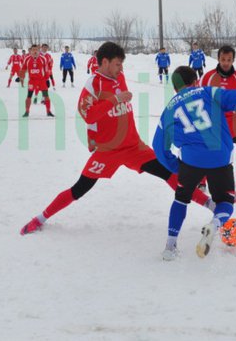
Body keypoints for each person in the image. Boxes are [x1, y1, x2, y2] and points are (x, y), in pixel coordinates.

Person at [19, 41, 221, 235]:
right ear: (104, 62)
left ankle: (212, 205)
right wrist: (113, 102)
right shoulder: (93, 85)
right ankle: (40, 218)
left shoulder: (120, 76)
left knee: (169, 173)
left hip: (134, 147)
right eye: (117, 64)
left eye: (121, 64)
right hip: (108, 151)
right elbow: (87, 114)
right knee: (80, 188)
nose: (120, 68)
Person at [154, 66, 236, 260]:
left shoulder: (169, 110)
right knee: (225, 201)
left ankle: (170, 246)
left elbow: (158, 147)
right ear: (195, 81)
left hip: (191, 162)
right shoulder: (208, 91)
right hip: (219, 159)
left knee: (180, 199)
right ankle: (214, 225)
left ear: (175, 88)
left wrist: (176, 166)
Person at [200, 45, 236, 189]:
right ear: (218, 59)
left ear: (233, 60)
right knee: (207, 151)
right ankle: (202, 182)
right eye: (223, 59)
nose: (225, 62)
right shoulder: (208, 76)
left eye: (229, 60)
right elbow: (198, 97)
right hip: (213, 120)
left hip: (232, 119)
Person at [23, 45, 54, 117]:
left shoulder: (43, 59)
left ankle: (48, 111)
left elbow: (46, 70)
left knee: (46, 96)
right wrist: (20, 76)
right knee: (29, 96)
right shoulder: (27, 59)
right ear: (30, 51)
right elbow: (23, 68)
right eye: (33, 50)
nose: (35, 51)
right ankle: (27, 112)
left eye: (36, 50)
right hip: (32, 81)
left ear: (38, 51)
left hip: (42, 80)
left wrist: (47, 79)